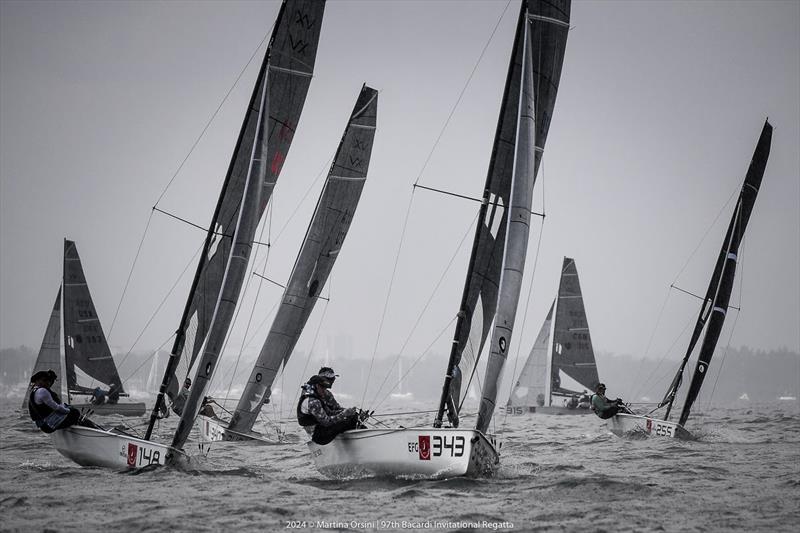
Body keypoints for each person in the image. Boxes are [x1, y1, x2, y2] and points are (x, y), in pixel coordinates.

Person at [296, 374, 367, 445]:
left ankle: (359, 435)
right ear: (317, 386)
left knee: (353, 416)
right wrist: (344, 414)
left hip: (320, 430)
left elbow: (330, 412)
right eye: (323, 388)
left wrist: (348, 412)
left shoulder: (316, 398)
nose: (325, 391)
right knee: (350, 419)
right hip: (319, 436)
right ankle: (365, 439)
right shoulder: (313, 402)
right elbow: (326, 422)